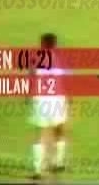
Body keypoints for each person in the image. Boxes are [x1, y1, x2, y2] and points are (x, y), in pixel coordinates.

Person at [30, 33, 69, 181]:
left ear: (43, 44)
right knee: (60, 129)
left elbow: (31, 78)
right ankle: (58, 163)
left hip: (41, 99)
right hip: (57, 98)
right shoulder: (61, 59)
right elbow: (66, 80)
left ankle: (38, 170)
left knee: (40, 134)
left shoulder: (35, 59)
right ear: (54, 44)